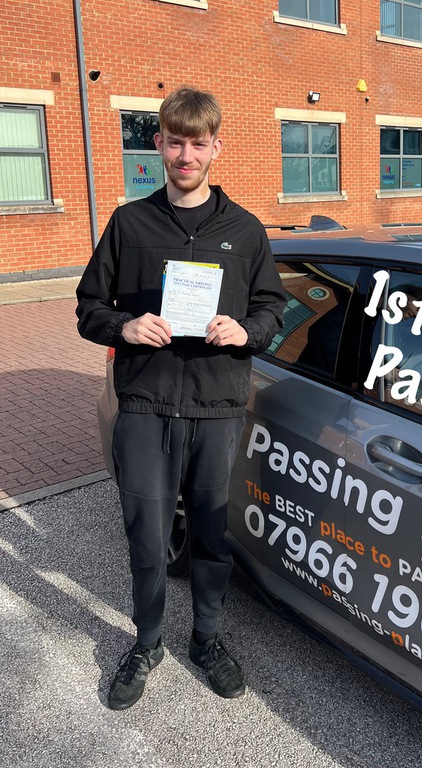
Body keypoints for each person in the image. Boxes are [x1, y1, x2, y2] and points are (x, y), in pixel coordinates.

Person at [76, 86, 285, 710]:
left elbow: (273, 307)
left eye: (198, 143)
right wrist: (125, 326)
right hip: (146, 406)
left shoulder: (245, 230)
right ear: (159, 145)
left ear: (216, 148)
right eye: (175, 142)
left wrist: (246, 331)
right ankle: (147, 643)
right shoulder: (129, 224)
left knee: (211, 536)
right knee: (146, 538)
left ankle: (207, 639)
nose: (186, 155)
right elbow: (89, 307)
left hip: (217, 408)